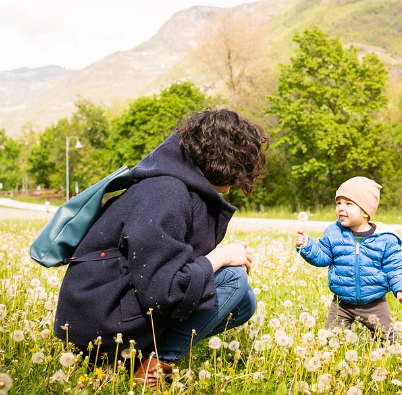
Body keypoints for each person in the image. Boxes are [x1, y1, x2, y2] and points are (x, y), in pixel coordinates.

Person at [54, 108, 268, 387]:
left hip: (108, 307)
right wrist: (220, 257)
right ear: (227, 161)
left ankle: (141, 354)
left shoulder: (174, 184)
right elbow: (161, 292)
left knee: (244, 303)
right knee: (233, 278)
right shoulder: (167, 192)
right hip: (100, 322)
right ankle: (153, 368)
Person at [295, 177, 402, 342]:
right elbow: (322, 256)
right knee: (331, 340)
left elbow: (396, 267)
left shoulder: (385, 238)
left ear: (365, 211)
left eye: (348, 204)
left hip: (375, 303)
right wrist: (308, 246)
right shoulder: (334, 233)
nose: (341, 208)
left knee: (388, 341)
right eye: (338, 203)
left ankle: (394, 362)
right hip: (341, 303)